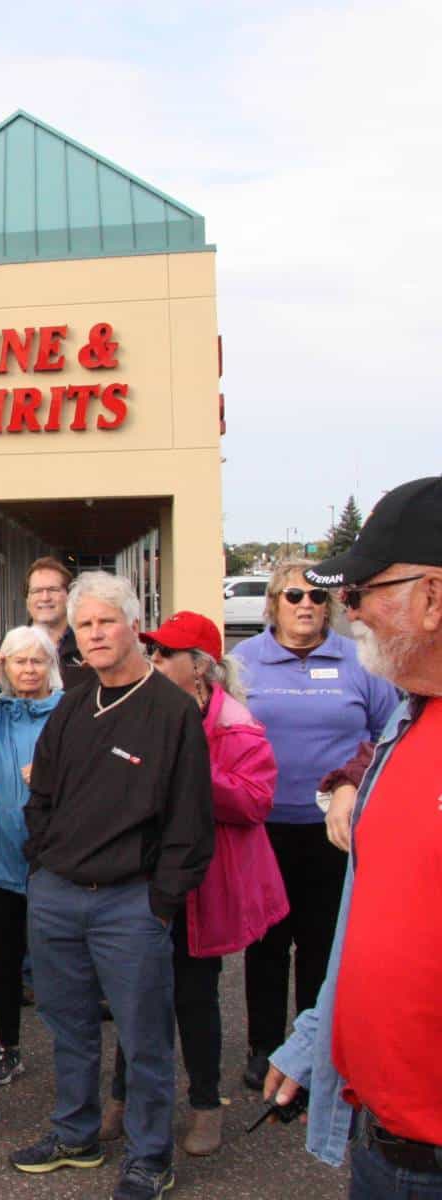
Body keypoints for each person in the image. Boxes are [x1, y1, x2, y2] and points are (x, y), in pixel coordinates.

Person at [261, 475, 442, 1194]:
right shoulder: (407, 720)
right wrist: (315, 1036)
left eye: (363, 589)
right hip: (381, 1141)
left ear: (433, 596)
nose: (347, 607)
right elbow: (372, 917)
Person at [8, 571, 214, 1200]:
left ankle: (150, 1156)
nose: (95, 634)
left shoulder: (172, 711)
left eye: (106, 621)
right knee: (68, 1027)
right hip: (58, 895)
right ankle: (76, 1134)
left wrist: (161, 902)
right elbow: (42, 795)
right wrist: (44, 864)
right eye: (85, 624)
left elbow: (190, 821)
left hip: (132, 902)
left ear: (134, 626)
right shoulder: (73, 704)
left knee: (144, 1037)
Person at [99, 611, 283, 1156]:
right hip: (144, 880)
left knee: (195, 996)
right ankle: (122, 1100)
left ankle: (206, 1106)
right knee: (136, 996)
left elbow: (254, 801)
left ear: (200, 667)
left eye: (165, 654)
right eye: (152, 652)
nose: (153, 661)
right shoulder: (142, 711)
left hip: (203, 886)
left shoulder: (237, 726)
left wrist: (191, 768)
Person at [231, 559, 399, 1091]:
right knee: (265, 943)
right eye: (294, 596)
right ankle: (263, 1048)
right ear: (273, 604)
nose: (306, 605)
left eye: (317, 597)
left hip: (334, 830)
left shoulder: (359, 660)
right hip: (264, 828)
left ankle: (311, 1054)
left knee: (322, 943)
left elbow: (387, 734)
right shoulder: (245, 660)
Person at [0, 624, 63, 1088]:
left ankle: (72, 1047)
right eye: (18, 661)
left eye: (37, 661)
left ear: (51, 666)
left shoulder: (67, 711)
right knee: (3, 958)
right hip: (2, 861)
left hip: (56, 862)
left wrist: (50, 772)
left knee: (61, 961)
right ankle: (8, 1047)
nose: (28, 670)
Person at [26, 556, 95, 691]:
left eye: (53, 590)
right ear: (27, 599)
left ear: (69, 596)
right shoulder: (6, 649)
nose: (45, 598)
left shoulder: (91, 646)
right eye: (37, 591)